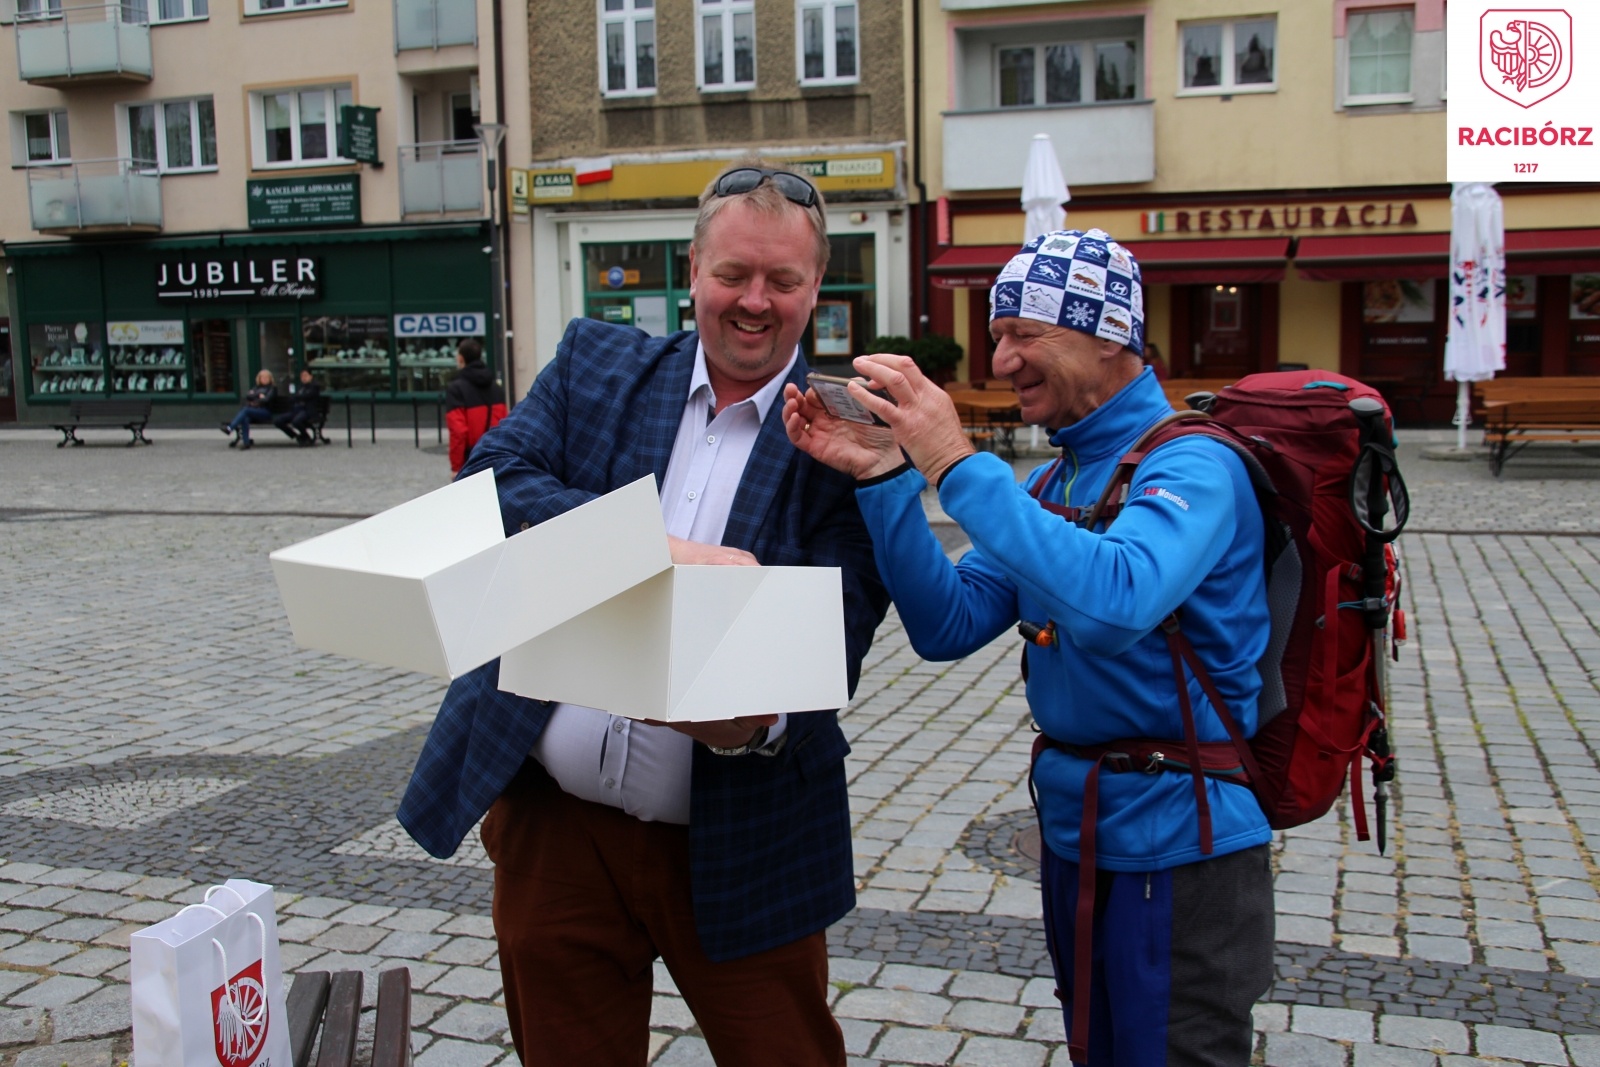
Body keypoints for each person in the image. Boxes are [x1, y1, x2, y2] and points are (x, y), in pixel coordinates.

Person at [398, 160, 890, 1067]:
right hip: (557, 826)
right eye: (733, 273)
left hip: (745, 830)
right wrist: (648, 550)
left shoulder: (849, 436)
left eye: (782, 281)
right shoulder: (597, 360)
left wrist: (751, 723)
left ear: (814, 286)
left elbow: (838, 633)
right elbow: (491, 483)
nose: (754, 301)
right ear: (693, 266)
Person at [783, 228, 1274, 1066]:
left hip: (1184, 844)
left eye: (1025, 333)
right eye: (998, 333)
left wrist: (951, 459)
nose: (1002, 358)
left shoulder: (1194, 465)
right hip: (1081, 832)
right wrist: (886, 475)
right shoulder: (1058, 480)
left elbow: (1121, 600)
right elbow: (947, 623)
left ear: (1110, 333)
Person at [444, 339, 507, 474]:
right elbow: (504, 426)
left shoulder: (456, 389)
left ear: (461, 359)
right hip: (495, 457)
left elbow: (458, 432)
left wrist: (456, 468)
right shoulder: (496, 388)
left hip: (470, 458)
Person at [220, 369, 276, 450]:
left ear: (270, 378)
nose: (264, 379)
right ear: (259, 379)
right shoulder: (256, 387)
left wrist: (255, 397)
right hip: (253, 411)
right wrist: (259, 396)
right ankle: (246, 443)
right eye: (262, 377)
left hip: (265, 412)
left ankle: (230, 428)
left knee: (246, 410)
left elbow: (267, 400)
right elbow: (248, 396)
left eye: (266, 377)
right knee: (245, 418)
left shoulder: (272, 388)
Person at [273, 368, 323, 446]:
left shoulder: (314, 386)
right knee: (278, 421)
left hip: (307, 410)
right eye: (302, 376)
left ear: (311, 376)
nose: (303, 378)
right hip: (296, 410)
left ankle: (306, 437)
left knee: (296, 421)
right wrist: (298, 397)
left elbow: (307, 396)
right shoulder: (301, 387)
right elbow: (293, 398)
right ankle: (296, 436)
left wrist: (298, 397)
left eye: (305, 376)